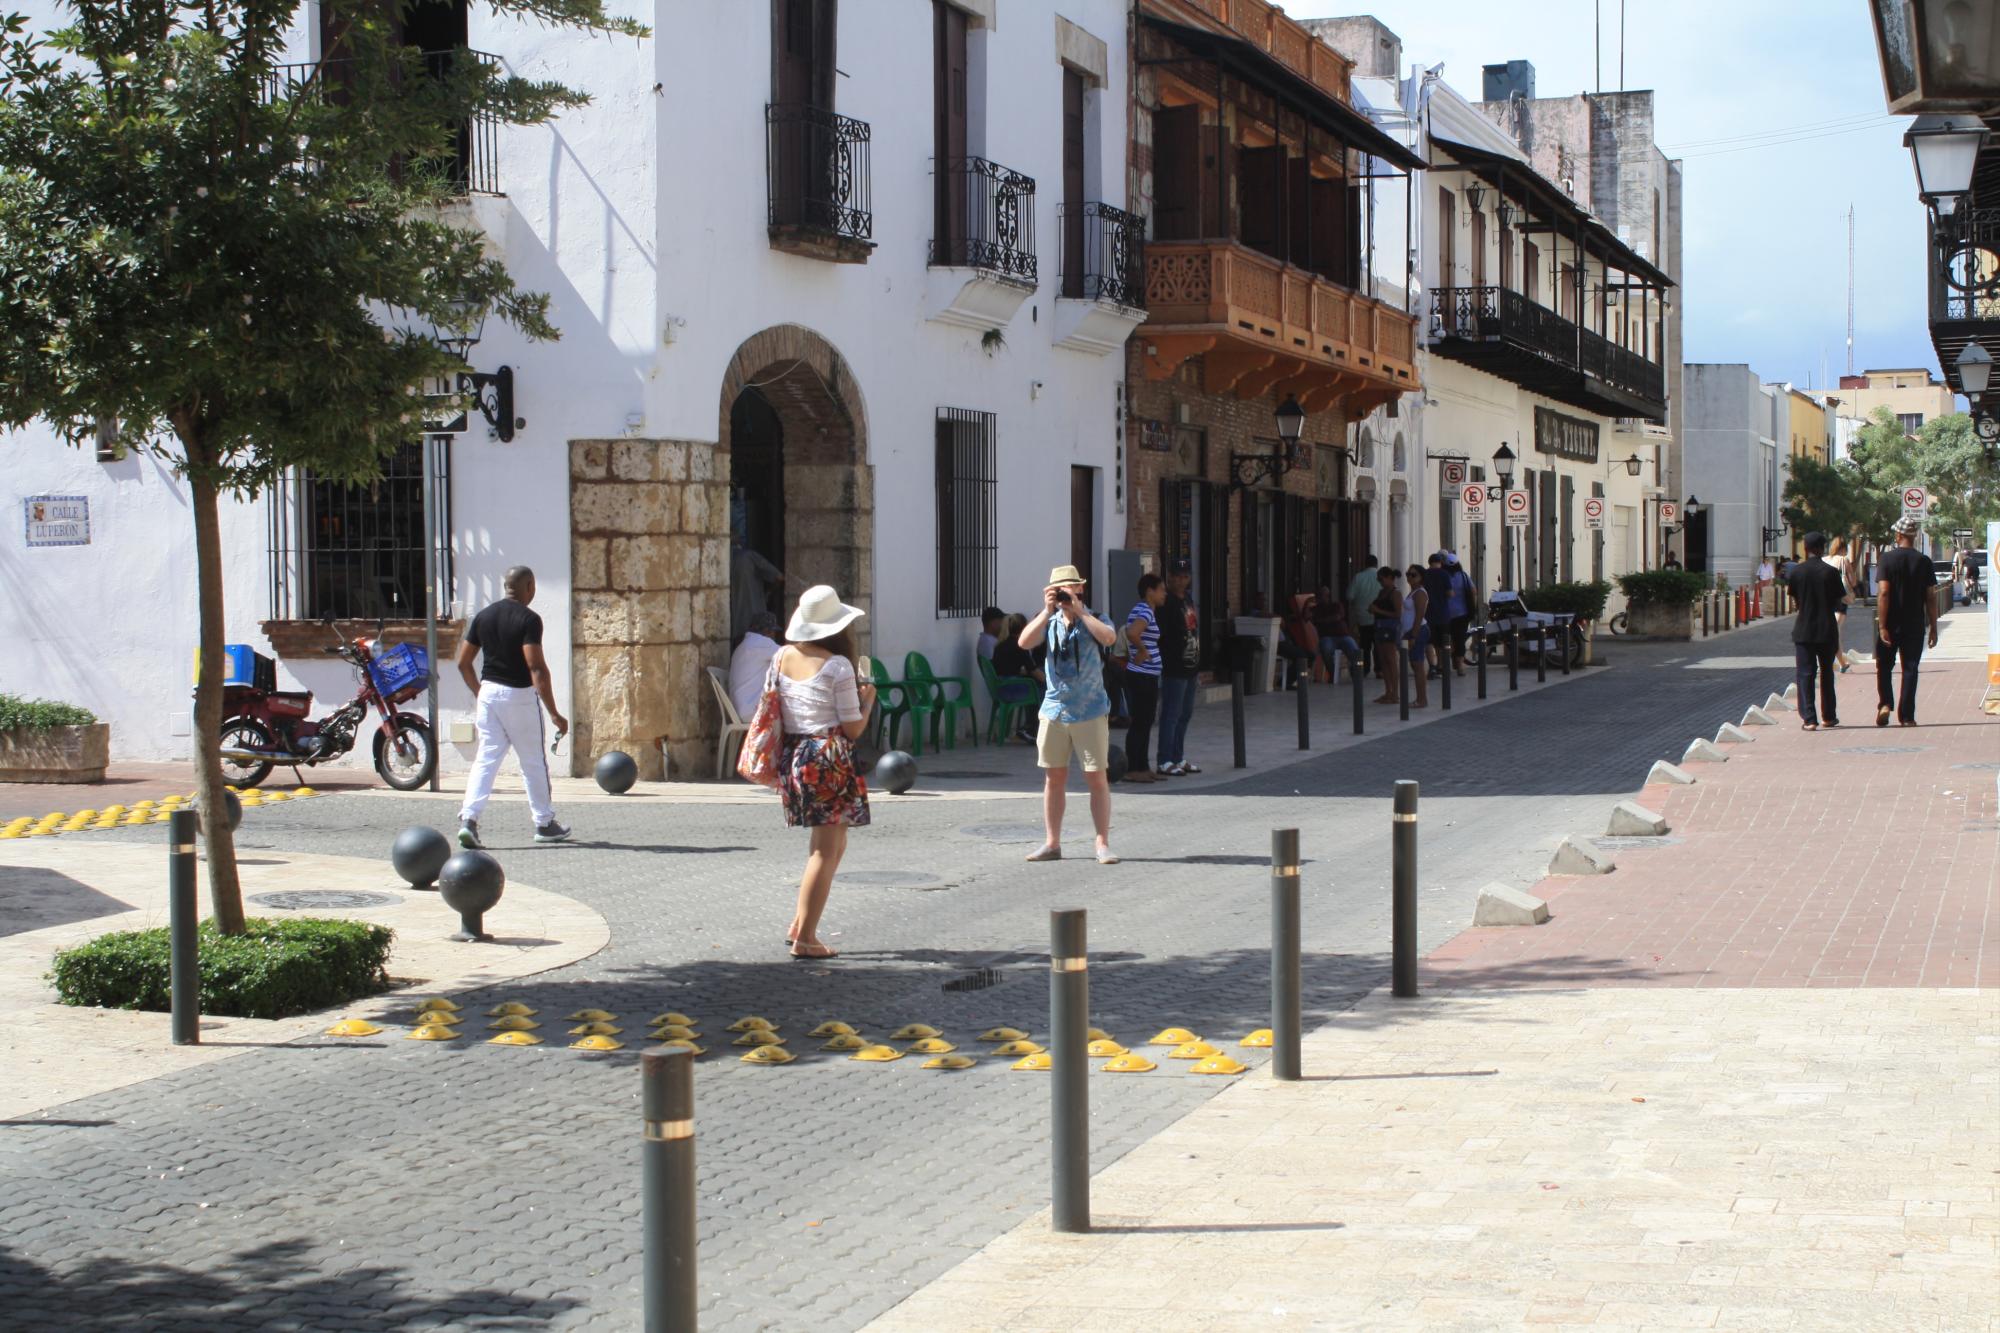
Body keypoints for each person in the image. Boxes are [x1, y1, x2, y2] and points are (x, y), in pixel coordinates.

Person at [773, 585, 876, 960]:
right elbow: (852, 729)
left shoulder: (782, 656)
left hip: (796, 755)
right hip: (828, 756)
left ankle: (801, 922)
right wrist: (868, 702)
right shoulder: (838, 665)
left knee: (829, 845)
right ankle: (807, 938)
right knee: (824, 850)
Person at [455, 565, 570, 849]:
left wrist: (480, 692)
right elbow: (536, 668)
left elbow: (463, 662)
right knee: (532, 760)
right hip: (518, 696)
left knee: (486, 759)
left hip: (489, 694)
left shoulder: (484, 616)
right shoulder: (529, 619)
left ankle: (469, 820)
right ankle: (544, 823)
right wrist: (554, 713)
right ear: (529, 586)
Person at [1019, 564, 1119, 864]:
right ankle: (1052, 843)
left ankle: (1102, 843)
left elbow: (1110, 639)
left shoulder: (1096, 618)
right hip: (1055, 710)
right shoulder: (1048, 622)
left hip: (1089, 709)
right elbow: (1024, 642)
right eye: (1059, 589)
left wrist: (1080, 612)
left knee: (1096, 777)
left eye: (1070, 588)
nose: (1065, 594)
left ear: (1080, 589)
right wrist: (1046, 610)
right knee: (1054, 778)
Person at [1874, 515, 1940, 727]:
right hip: (1914, 623)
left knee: (1884, 665)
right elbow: (1931, 596)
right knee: (1910, 667)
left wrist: (1882, 625)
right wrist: (1933, 627)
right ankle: (1907, 716)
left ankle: (1885, 703)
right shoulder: (1924, 562)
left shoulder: (1887, 559)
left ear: (1898, 534)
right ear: (1914, 536)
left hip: (1891, 623)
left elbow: (1883, 592)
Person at [1785, 532, 1846, 731]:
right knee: (1827, 672)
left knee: (1805, 673)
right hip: (1827, 628)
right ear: (1822, 548)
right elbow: (1838, 600)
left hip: (1803, 629)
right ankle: (1829, 716)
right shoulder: (1830, 572)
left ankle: (1809, 718)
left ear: (1805, 548)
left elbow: (1795, 601)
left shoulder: (1797, 572)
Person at [1156, 559, 1202, 777]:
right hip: (1174, 667)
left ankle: (1178, 757)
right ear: (1170, 577)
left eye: (1186, 576)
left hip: (1191, 666)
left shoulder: (1188, 600)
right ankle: (1164, 760)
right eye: (1178, 576)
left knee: (1185, 714)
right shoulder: (1167, 602)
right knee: (1171, 715)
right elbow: (1160, 635)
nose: (1182, 580)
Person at [1122, 574, 1166, 782]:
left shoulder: (1147, 611)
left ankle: (1143, 766)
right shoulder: (1144, 610)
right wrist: (1142, 650)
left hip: (1148, 675)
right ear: (1150, 591)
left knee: (1147, 721)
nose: (1164, 594)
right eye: (1161, 590)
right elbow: (1132, 633)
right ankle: (1133, 768)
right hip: (1142, 675)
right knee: (1140, 721)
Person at [991, 611, 1044, 740]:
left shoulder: (1000, 645)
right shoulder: (1020, 645)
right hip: (1010, 689)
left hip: (1000, 686)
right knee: (1041, 689)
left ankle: (1031, 727)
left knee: (1035, 686)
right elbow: (1034, 670)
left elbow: (1007, 667)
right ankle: (1031, 728)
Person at [729, 526, 786, 644]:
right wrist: (767, 593)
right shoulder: (749, 557)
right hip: (755, 621)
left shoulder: (720, 560)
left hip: (732, 626)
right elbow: (779, 577)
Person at [728, 610, 783, 722]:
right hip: (751, 711)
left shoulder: (746, 644)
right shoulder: (761, 643)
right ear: (767, 631)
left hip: (740, 709)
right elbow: (789, 656)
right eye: (773, 632)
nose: (774, 636)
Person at [1824, 536, 1860, 672]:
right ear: (1844, 548)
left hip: (1826, 600)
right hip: (1840, 599)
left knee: (1829, 631)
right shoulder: (1843, 560)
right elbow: (1853, 581)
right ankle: (1841, 663)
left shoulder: (1825, 560)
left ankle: (1838, 662)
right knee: (1836, 632)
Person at [1370, 566, 1404, 705]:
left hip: (1390, 628)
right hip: (1379, 626)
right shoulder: (1381, 592)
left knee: (1391, 660)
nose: (1380, 582)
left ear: (1390, 578)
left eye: (1382, 579)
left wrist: (1378, 610)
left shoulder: (1395, 594)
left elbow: (1398, 614)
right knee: (1383, 660)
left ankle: (1395, 693)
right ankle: (1388, 691)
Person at [1311, 585, 1361, 680]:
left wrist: (1321, 620)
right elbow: (1305, 616)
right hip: (1326, 637)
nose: (1320, 597)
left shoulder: (1336, 605)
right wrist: (1307, 602)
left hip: (1343, 636)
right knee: (1326, 649)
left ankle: (1355, 673)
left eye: (1322, 595)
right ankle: (1333, 674)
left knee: (1354, 650)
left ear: (1327, 596)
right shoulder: (1315, 609)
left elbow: (1338, 616)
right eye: (1318, 595)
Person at [1345, 554, 1382, 678]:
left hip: (1362, 616)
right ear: (1376, 564)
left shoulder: (1358, 577)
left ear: (1365, 564)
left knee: (1365, 645)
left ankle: (1365, 669)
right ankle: (1379, 670)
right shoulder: (1381, 577)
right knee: (1378, 644)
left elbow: (1349, 596)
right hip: (1378, 617)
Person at [1402, 563, 1432, 708]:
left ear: (1421, 577)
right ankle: (1420, 698)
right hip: (1414, 631)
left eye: (1413, 575)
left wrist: (1413, 635)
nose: (1410, 577)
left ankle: (1422, 699)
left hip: (1419, 630)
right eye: (1408, 574)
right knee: (1415, 665)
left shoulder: (1420, 592)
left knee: (1418, 665)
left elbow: (1419, 615)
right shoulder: (1413, 591)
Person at [1441, 552, 1476, 675]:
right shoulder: (1464, 576)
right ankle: (1460, 665)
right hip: (1462, 613)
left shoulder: (1443, 576)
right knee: (1460, 639)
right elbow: (1473, 591)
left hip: (1446, 613)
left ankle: (1450, 661)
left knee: (1447, 639)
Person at [1421, 554, 1453, 680]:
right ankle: (1441, 665)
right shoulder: (1444, 574)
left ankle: (1432, 666)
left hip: (1428, 612)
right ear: (1440, 562)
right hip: (1443, 613)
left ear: (1429, 562)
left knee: (1429, 641)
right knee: (1443, 642)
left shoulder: (1425, 574)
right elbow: (1450, 593)